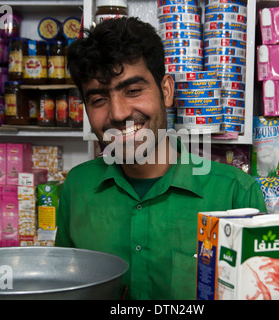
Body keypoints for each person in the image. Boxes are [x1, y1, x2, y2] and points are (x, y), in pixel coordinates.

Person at [55, 17, 267, 300]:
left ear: (166, 91)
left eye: (132, 90)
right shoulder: (76, 187)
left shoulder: (235, 194)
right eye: (98, 100)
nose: (118, 113)